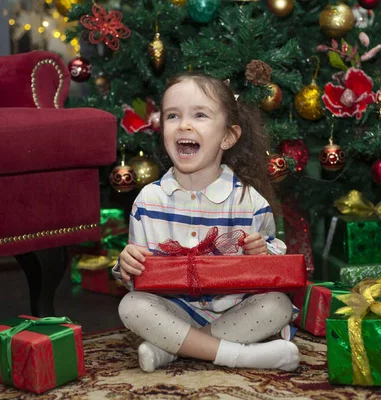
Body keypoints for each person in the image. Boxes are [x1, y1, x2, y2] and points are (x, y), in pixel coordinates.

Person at [112, 72, 300, 373]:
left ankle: (176, 349)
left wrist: (261, 254)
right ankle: (242, 356)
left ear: (228, 136)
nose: (184, 125)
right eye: (173, 116)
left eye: (200, 115)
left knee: (277, 305)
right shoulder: (149, 200)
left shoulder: (249, 202)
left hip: (235, 310)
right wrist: (127, 264)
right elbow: (139, 278)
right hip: (174, 311)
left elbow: (275, 260)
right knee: (131, 306)